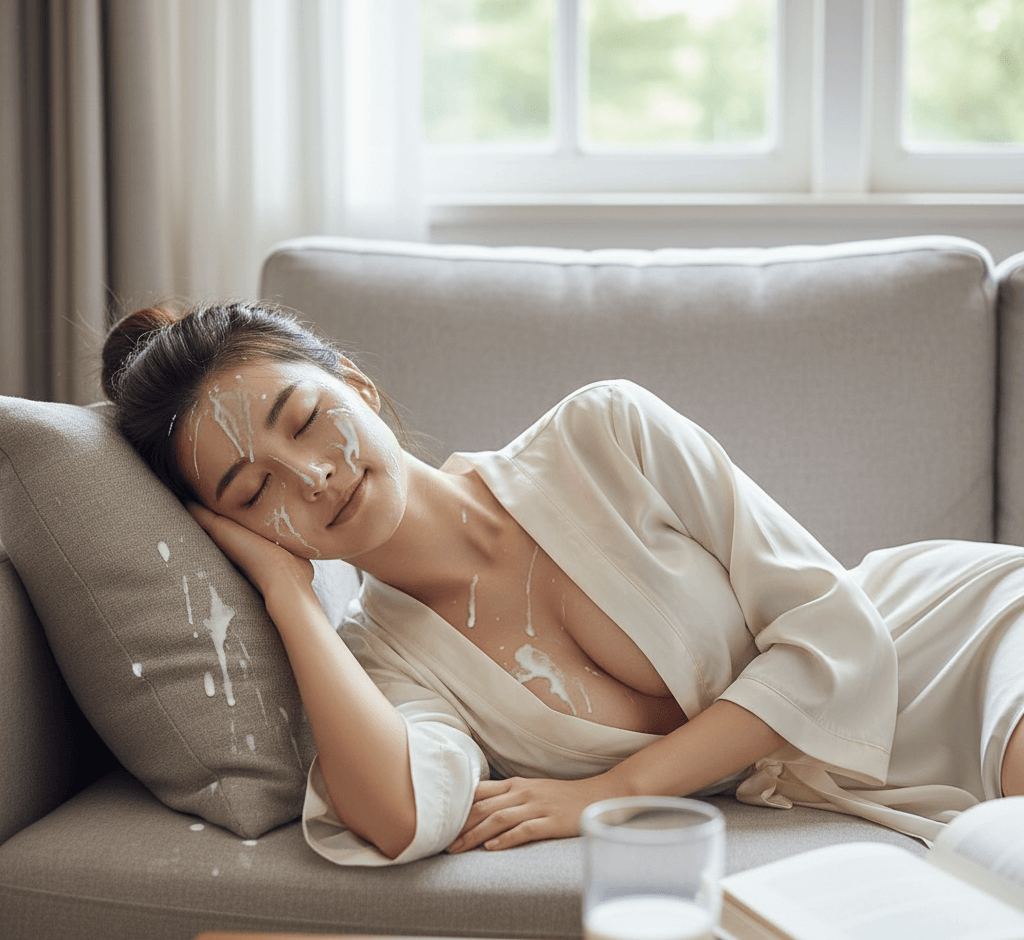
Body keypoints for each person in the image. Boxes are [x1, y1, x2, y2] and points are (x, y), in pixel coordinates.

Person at [102, 301, 1024, 866]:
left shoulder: (605, 432)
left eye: (305, 419)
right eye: (253, 492)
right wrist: (289, 595)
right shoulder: (384, 660)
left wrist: (612, 789)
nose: (310, 478)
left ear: (359, 386)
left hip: (946, 643)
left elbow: (831, 629)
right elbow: (399, 816)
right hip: (831, 783)